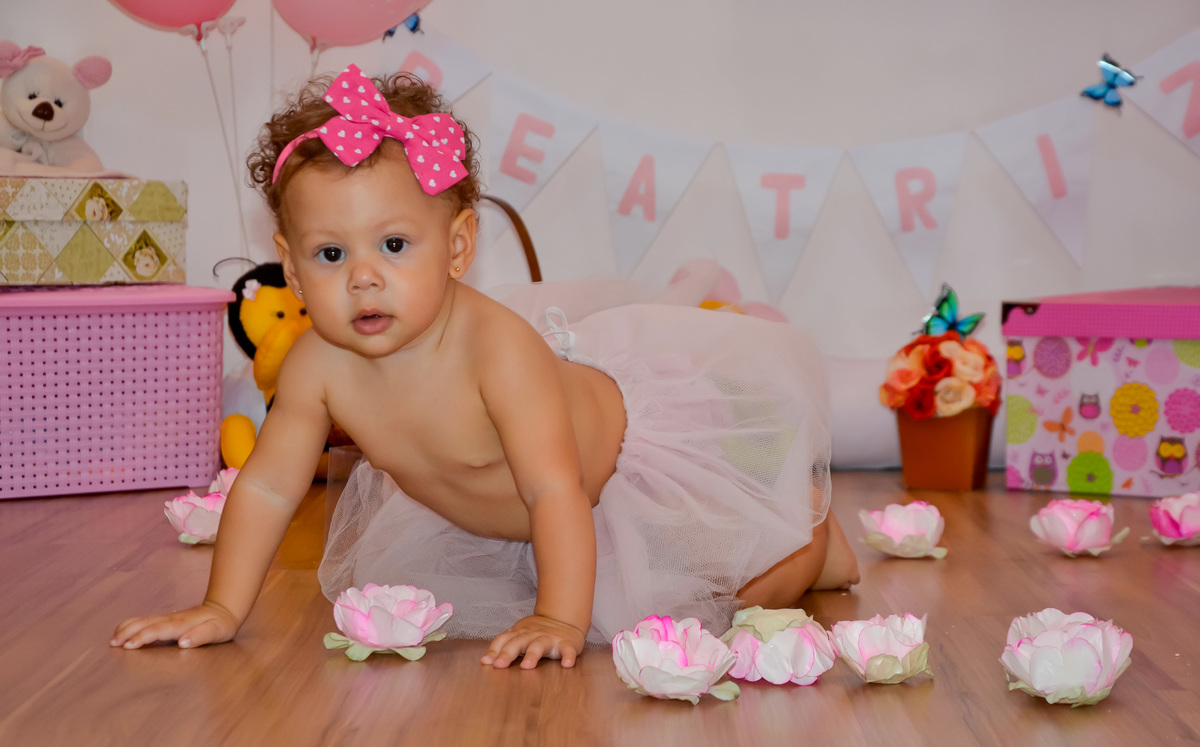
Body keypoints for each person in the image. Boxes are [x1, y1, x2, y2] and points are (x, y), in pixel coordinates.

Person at [112, 65, 858, 669]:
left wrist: (559, 618)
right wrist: (221, 606)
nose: (363, 277)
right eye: (331, 254)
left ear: (459, 246)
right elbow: (271, 485)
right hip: (505, 520)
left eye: (394, 245)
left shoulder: (498, 350)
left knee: (704, 602)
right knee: (517, 579)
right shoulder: (317, 365)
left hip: (611, 478)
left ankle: (809, 546)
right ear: (293, 269)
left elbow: (552, 487)